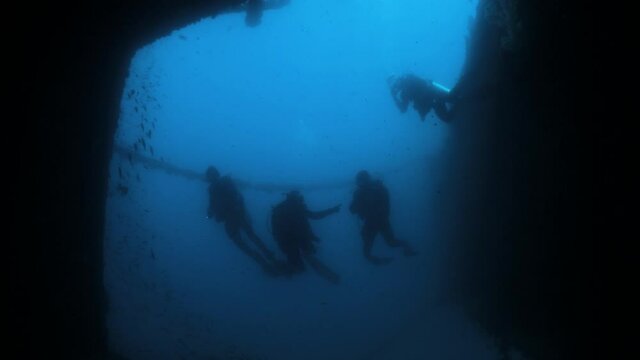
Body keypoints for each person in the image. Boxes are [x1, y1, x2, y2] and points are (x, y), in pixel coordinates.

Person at [205, 166, 280, 275]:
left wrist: (212, 212)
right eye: (209, 176)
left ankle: (266, 259)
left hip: (235, 216)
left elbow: (233, 197)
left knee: (246, 240)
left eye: (210, 176)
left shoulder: (222, 184)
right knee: (248, 239)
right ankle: (266, 258)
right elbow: (213, 203)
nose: (209, 178)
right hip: (234, 217)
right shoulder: (214, 188)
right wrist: (210, 212)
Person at [270, 190, 341, 283]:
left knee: (302, 263)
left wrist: (312, 236)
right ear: (295, 198)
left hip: (287, 241)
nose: (301, 199)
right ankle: (277, 269)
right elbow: (314, 216)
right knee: (300, 265)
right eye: (299, 197)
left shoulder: (281, 208)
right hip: (292, 241)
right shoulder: (296, 207)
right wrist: (332, 210)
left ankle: (286, 267)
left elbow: (301, 224)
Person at [349, 170, 417, 265]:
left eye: (361, 182)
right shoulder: (376, 189)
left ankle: (402, 251)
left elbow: (353, 210)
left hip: (375, 223)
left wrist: (359, 199)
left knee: (370, 251)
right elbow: (353, 209)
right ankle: (406, 248)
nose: (360, 184)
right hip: (379, 222)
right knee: (390, 243)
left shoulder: (371, 190)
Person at [387, 73, 455, 122]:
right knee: (447, 117)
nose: (396, 87)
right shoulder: (404, 94)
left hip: (435, 95)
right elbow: (403, 109)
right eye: (394, 86)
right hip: (433, 102)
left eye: (395, 83)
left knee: (453, 99)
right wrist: (394, 97)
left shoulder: (409, 79)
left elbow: (424, 84)